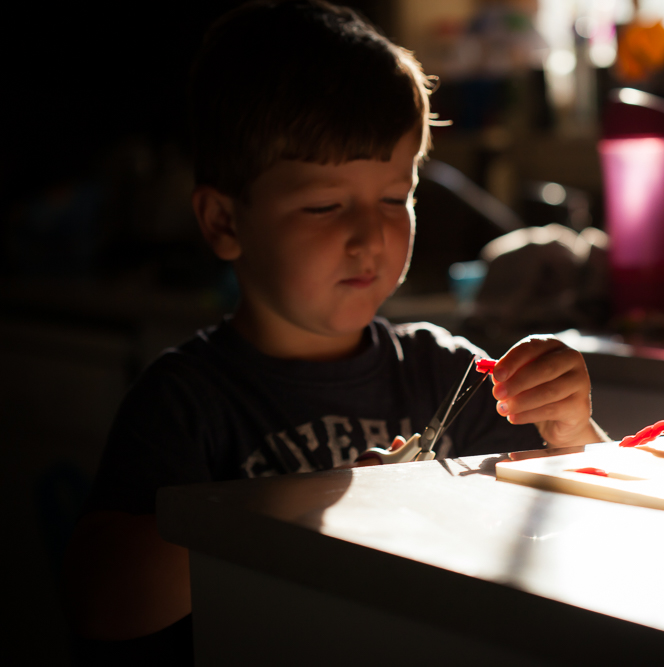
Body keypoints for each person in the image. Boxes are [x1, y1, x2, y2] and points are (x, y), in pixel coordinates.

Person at [61, 1, 608, 662]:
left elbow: (587, 528)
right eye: (324, 204)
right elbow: (100, 603)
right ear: (224, 223)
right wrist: (307, 503)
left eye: (393, 196)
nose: (370, 235)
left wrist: (573, 432)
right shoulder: (186, 400)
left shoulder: (447, 373)